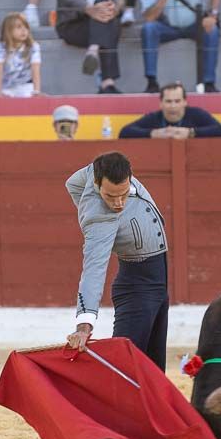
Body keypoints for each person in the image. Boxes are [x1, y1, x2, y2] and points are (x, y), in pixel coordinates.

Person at [65, 150, 169, 371]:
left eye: (123, 194)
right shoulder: (100, 219)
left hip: (157, 286)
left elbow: (72, 182)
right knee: (123, 369)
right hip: (136, 290)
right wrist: (84, 326)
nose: (119, 203)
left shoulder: (98, 172)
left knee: (153, 369)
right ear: (97, 183)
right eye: (110, 196)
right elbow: (93, 269)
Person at [139, 0, 221, 93]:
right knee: (148, 29)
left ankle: (209, 82)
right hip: (167, 26)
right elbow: (149, 17)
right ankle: (151, 82)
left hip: (194, 24)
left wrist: (213, 15)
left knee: (212, 30)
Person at [119, 81, 221, 138]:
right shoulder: (154, 117)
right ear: (161, 103)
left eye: (177, 101)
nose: (173, 106)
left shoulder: (197, 114)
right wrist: (153, 133)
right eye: (168, 101)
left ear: (185, 102)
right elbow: (124, 132)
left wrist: (191, 133)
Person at [0, 11, 42, 97]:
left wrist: (36, 91)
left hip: (25, 85)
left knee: (27, 96)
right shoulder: (0, 47)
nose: (24, 30)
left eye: (26, 27)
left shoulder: (33, 46)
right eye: (19, 27)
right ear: (8, 30)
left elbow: (36, 70)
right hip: (6, 86)